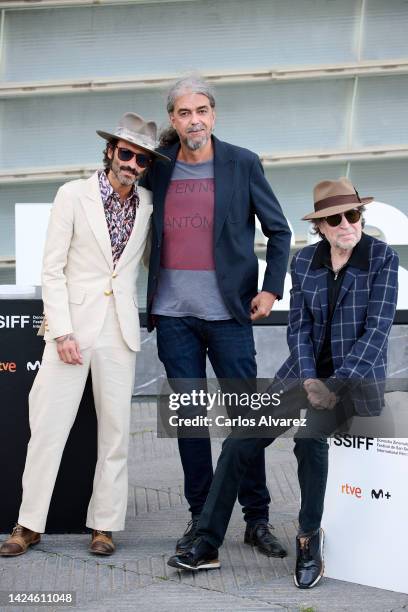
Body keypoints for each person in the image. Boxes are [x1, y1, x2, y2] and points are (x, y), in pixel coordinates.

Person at [167, 177, 399, 589]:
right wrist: (310, 378)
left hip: (353, 380)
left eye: (354, 214)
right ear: (321, 227)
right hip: (302, 373)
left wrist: (335, 385)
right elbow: (299, 330)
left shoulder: (380, 258)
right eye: (336, 218)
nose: (347, 224)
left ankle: (308, 541)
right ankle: (206, 542)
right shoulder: (305, 261)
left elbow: (377, 332)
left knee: (310, 439)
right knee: (240, 440)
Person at [0, 113, 169, 557]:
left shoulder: (149, 204)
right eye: (126, 153)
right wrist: (62, 332)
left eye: (142, 159)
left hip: (119, 333)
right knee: (48, 430)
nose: (132, 163)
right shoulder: (72, 195)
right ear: (112, 151)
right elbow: (51, 270)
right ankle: (28, 524)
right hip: (71, 332)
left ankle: (105, 525)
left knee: (115, 434)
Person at [140, 75, 292, 558]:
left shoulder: (241, 163)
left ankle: (257, 518)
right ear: (173, 119)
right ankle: (201, 518)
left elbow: (279, 231)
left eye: (201, 110)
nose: (194, 120)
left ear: (213, 115)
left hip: (230, 313)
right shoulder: (158, 167)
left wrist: (271, 290)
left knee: (246, 417)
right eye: (184, 113)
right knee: (189, 420)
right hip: (172, 315)